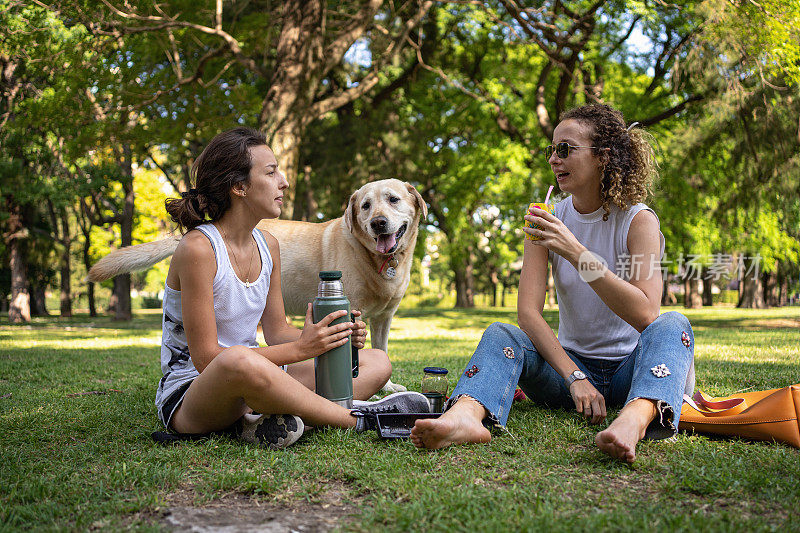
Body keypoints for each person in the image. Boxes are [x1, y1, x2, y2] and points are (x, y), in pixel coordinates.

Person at [411, 104, 695, 462]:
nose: (554, 160)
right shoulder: (546, 219)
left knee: (672, 323)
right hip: (566, 374)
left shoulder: (638, 222)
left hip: (631, 370)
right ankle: (466, 416)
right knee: (502, 332)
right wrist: (574, 376)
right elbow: (528, 314)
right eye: (552, 150)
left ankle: (634, 419)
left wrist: (576, 252)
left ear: (603, 156)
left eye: (566, 149)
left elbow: (645, 312)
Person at [157, 127, 428, 449]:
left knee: (376, 363)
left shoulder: (267, 244)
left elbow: (277, 332)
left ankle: (263, 420)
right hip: (196, 392)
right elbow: (207, 359)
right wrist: (302, 350)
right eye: (271, 173)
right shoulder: (198, 248)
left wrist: (327, 337)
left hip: (258, 374)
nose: (284, 181)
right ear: (239, 186)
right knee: (239, 360)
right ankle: (359, 418)